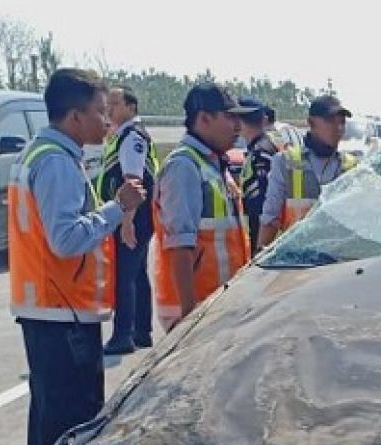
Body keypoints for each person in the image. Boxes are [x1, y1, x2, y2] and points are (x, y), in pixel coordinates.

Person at [8, 68, 146, 445]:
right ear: (75, 117)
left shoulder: (42, 153)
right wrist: (117, 208)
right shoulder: (56, 163)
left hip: (50, 308)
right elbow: (65, 239)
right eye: (102, 112)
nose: (108, 121)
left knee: (49, 424)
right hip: (62, 312)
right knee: (71, 427)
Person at [152, 83, 252, 329]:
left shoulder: (214, 164)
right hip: (197, 312)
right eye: (229, 117)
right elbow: (179, 245)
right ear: (204, 119)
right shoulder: (184, 166)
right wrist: (189, 315)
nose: (238, 126)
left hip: (218, 305)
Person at [98, 85, 159, 354]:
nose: (108, 108)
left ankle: (123, 335)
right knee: (137, 275)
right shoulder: (121, 136)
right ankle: (141, 331)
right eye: (106, 104)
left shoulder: (132, 137)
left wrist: (126, 221)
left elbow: (132, 181)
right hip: (135, 215)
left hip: (132, 215)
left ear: (131, 107)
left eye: (114, 103)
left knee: (124, 275)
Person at [257, 95, 358, 248]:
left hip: (337, 263)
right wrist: (259, 258)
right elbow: (270, 219)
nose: (338, 128)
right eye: (330, 121)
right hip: (296, 262)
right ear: (311, 122)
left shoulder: (351, 167)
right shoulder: (285, 162)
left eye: (342, 122)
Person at [235, 96, 277, 253]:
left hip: (261, 237)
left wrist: (259, 246)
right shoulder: (262, 147)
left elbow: (262, 204)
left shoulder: (261, 153)